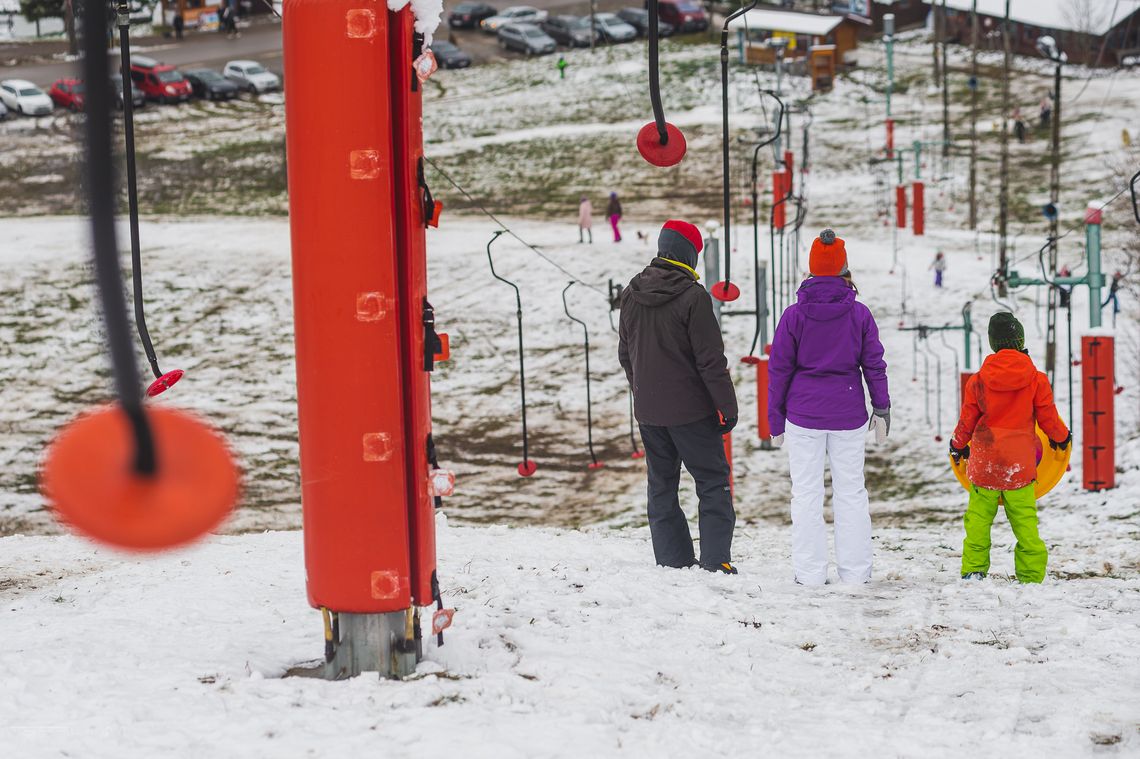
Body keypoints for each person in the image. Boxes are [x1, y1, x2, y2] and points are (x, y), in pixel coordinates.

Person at [768, 229, 890, 586]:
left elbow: (779, 370)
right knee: (851, 492)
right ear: (844, 269)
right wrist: (881, 408)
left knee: (805, 493)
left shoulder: (793, 315)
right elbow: (874, 364)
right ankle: (855, 572)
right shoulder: (859, 314)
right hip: (848, 412)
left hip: (802, 415)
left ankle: (809, 574)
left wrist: (776, 420)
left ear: (811, 270)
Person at [618, 220, 738, 574]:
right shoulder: (693, 297)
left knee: (661, 485)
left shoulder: (631, 292)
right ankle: (716, 560)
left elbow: (626, 354)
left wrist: (643, 390)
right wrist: (726, 407)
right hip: (691, 413)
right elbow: (711, 362)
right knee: (712, 481)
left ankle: (672, 560)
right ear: (689, 253)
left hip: (649, 411)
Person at [950, 313, 1069, 583]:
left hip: (984, 465)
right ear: (1020, 340)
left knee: (978, 522)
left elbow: (966, 422)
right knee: (1026, 524)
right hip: (1020, 467)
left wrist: (957, 446)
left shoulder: (978, 381)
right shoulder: (1036, 379)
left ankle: (973, 571)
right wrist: (1062, 438)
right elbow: (1049, 419)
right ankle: (1030, 576)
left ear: (993, 343)